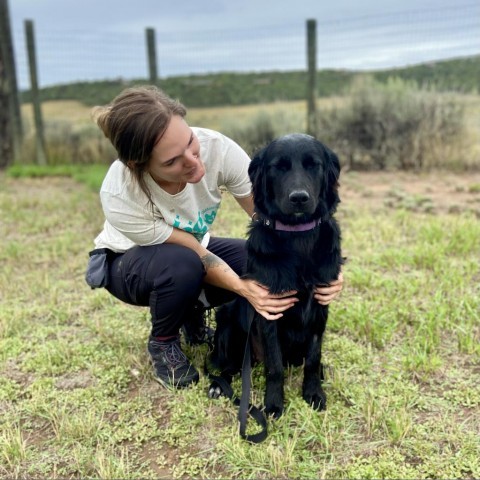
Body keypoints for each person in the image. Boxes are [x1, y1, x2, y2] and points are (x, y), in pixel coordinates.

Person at [86, 85, 344, 388]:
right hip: (128, 262)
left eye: (190, 143)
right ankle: (164, 342)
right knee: (182, 265)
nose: (194, 162)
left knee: (257, 260)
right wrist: (245, 288)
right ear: (137, 164)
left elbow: (268, 220)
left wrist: (324, 270)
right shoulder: (120, 194)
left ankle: (190, 312)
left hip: (193, 250)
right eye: (171, 162)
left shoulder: (218, 148)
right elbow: (194, 252)